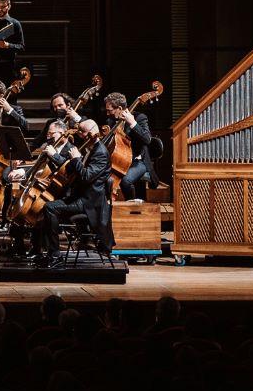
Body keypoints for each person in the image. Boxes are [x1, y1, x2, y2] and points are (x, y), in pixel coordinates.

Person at [36, 119, 116, 264]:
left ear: (92, 133)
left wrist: (77, 159)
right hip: (79, 196)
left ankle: (55, 255)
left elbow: (86, 177)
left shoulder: (101, 153)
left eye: (82, 131)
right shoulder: (89, 148)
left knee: (50, 208)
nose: (79, 134)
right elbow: (71, 170)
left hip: (89, 203)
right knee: (48, 205)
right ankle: (43, 251)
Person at [103, 91, 161, 199]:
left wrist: (133, 123)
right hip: (119, 160)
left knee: (126, 181)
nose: (107, 114)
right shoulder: (111, 121)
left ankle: (132, 206)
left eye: (109, 110)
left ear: (120, 108)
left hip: (138, 161)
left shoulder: (139, 118)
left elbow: (147, 140)